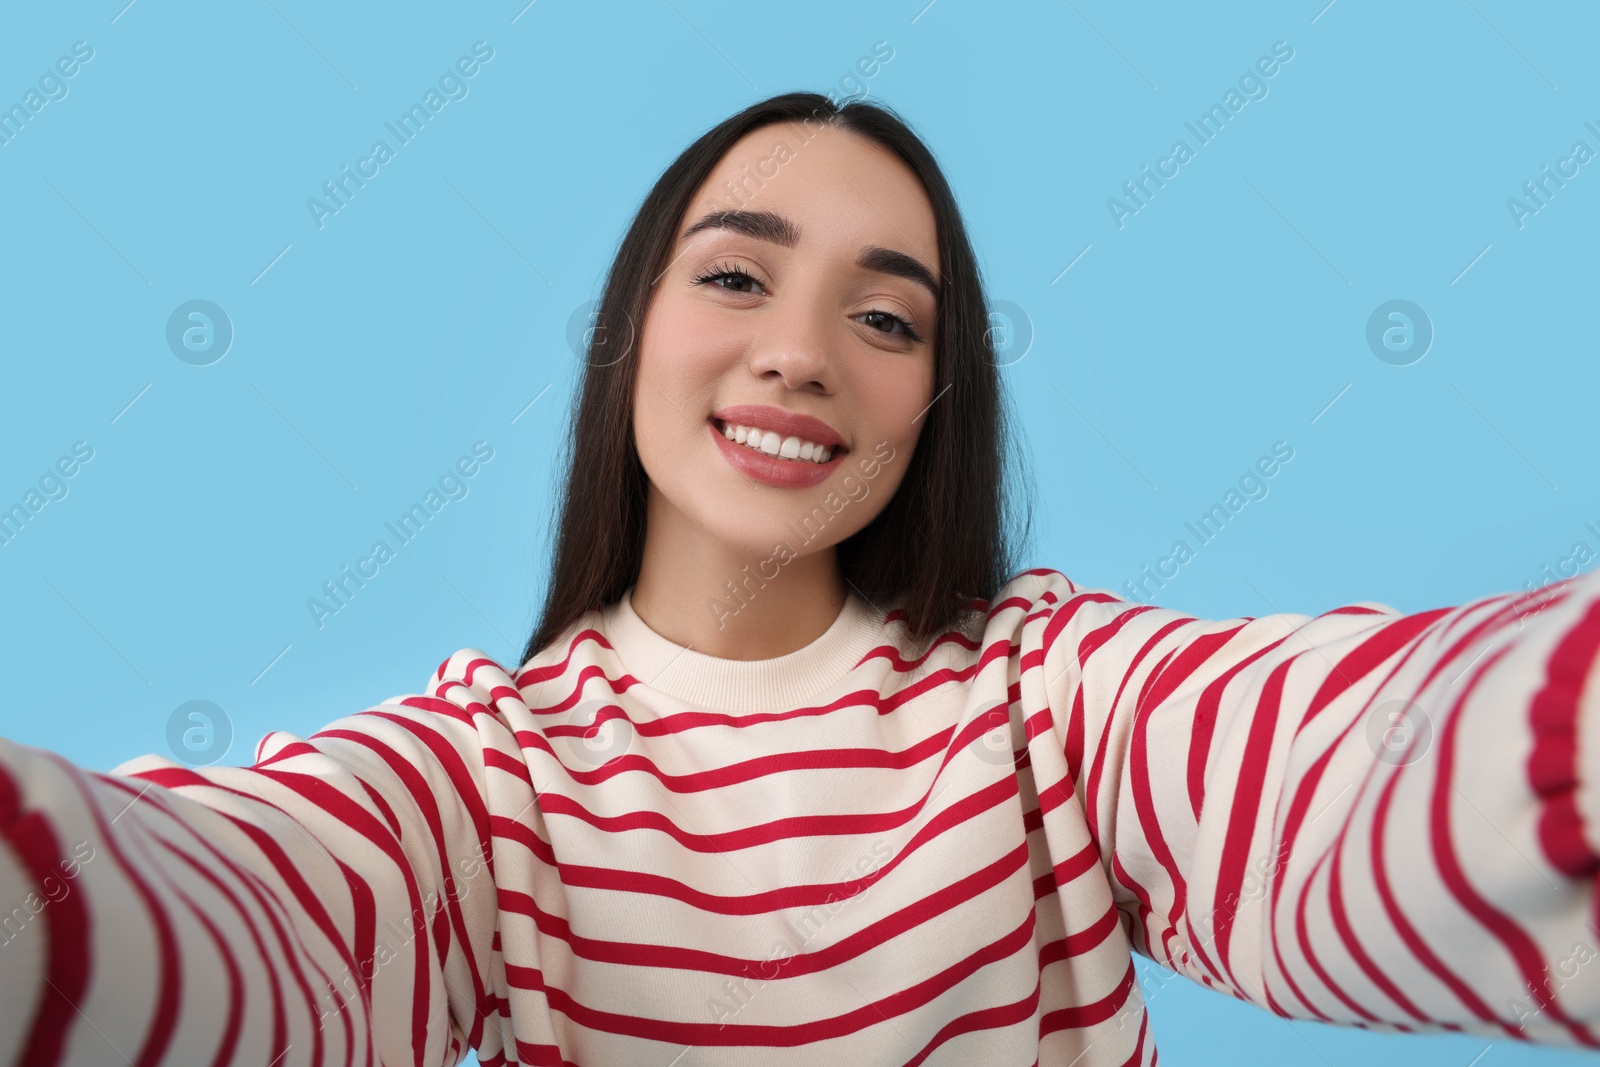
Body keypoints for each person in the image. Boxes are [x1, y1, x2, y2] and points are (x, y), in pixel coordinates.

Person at [2, 91, 1598, 1067]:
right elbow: (260, 915)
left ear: (935, 402)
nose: (798, 353)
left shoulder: (1049, 698)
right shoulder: (491, 783)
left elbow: (1338, 770)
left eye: (886, 319)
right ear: (633, 328)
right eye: (739, 275)